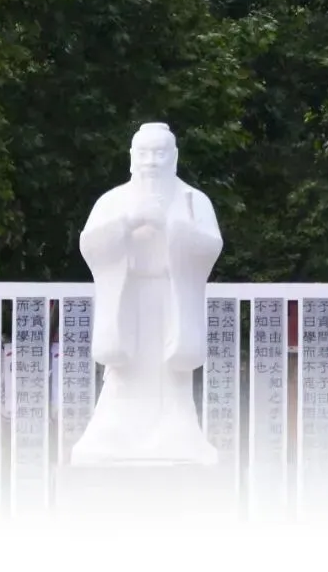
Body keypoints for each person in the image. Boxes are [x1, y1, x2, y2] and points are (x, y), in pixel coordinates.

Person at [71, 122, 222, 465]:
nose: (151, 161)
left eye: (159, 153)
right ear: (131, 157)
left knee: (171, 374)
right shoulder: (113, 201)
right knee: (124, 373)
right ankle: (114, 434)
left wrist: (172, 226)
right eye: (144, 153)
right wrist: (127, 222)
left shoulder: (193, 201)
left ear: (174, 157)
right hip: (129, 297)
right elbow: (90, 244)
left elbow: (210, 246)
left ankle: (177, 434)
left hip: (171, 297)